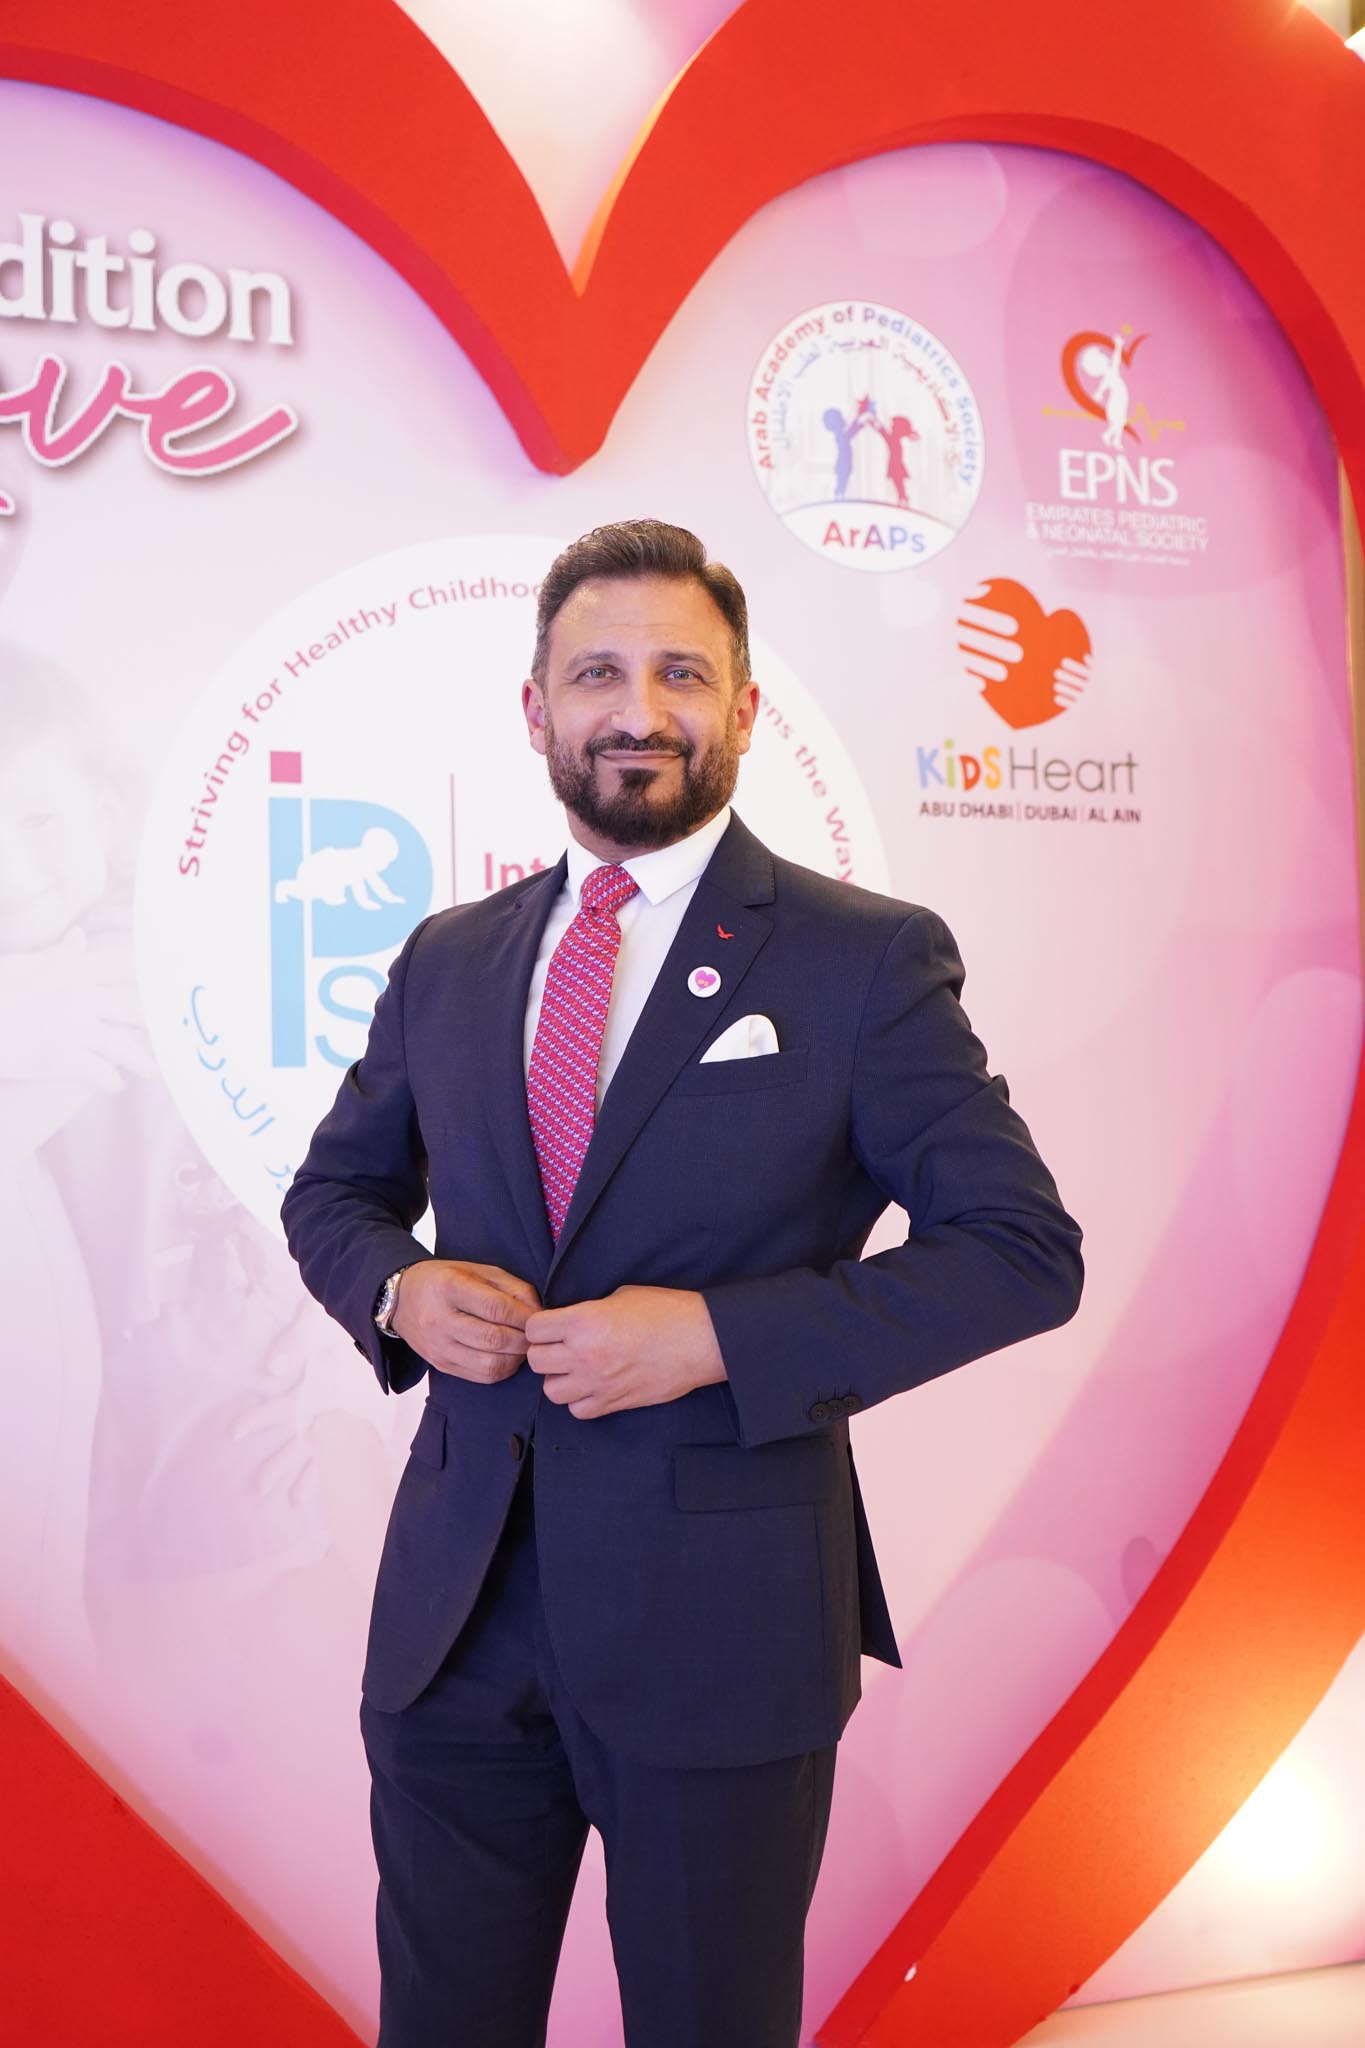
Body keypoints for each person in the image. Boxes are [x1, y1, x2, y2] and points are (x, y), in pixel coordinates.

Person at [281, 518, 1083, 2048]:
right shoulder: (448, 957)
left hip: (723, 1632)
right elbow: (335, 1194)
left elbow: (1019, 1251)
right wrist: (398, 1292)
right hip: (454, 1621)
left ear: (744, 707)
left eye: (680, 674)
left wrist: (719, 1336)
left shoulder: (860, 960)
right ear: (536, 709)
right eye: (597, 674)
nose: (637, 710)